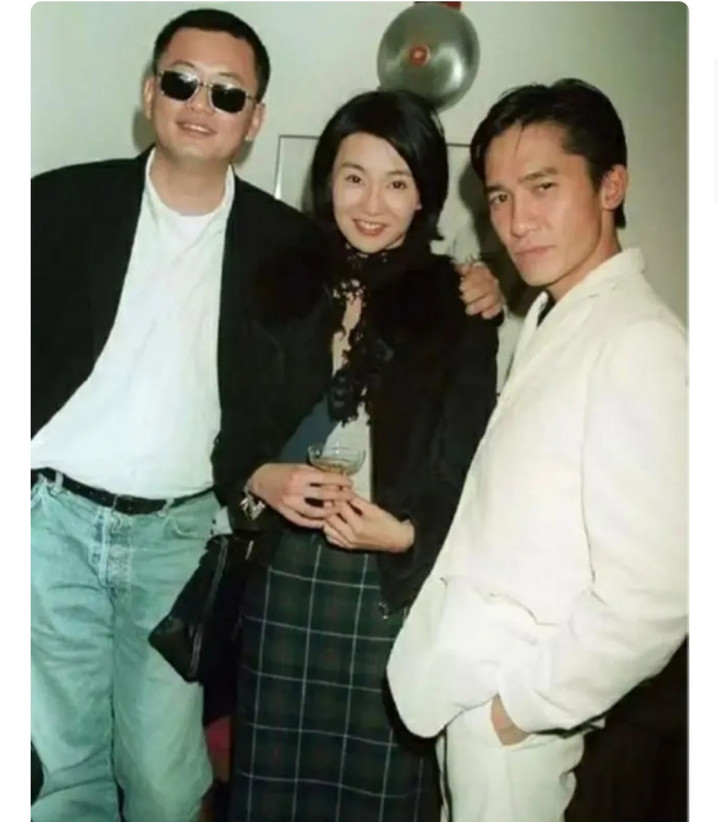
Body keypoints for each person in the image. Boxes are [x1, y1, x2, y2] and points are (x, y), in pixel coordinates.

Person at [30, 9, 502, 822]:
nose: (200, 104)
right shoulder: (63, 204)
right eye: (182, 82)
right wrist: (260, 473)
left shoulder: (283, 245)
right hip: (59, 524)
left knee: (167, 780)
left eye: (227, 92)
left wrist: (477, 281)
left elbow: (457, 446)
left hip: (192, 539)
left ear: (255, 119)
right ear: (149, 91)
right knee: (64, 772)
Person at [387, 78, 688, 821]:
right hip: (479, 689)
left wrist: (519, 708)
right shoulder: (559, 314)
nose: (516, 222)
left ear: (611, 185)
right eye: (499, 197)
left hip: (519, 710)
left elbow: (657, 595)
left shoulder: (640, 340)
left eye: (543, 187)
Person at [228, 89, 499, 822]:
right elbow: (235, 421)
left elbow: (466, 460)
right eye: (354, 177)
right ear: (328, 182)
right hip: (284, 576)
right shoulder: (282, 285)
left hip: (388, 585)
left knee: (377, 794)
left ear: (424, 196)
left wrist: (409, 534)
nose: (372, 204)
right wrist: (260, 475)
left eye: (397, 182)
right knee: (273, 789)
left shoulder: (458, 304)